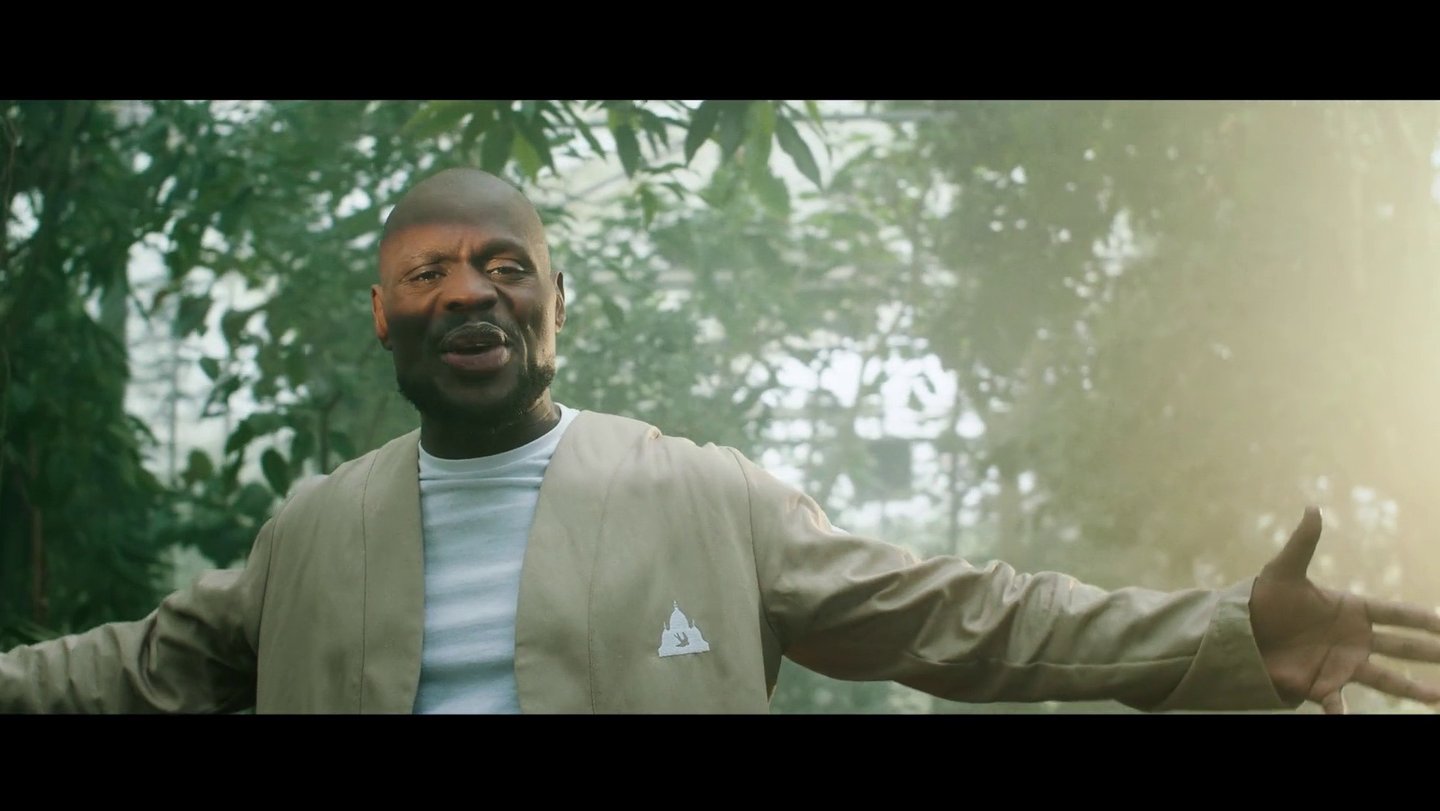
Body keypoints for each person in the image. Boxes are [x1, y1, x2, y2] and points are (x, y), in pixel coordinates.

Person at [3, 168, 1438, 714]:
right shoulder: (312, 534)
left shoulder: (704, 498)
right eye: (427, 272)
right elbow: (124, 673)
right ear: (382, 315)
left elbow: (969, 620)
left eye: (504, 266)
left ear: (556, 304)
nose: (468, 293)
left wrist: (1219, 635)